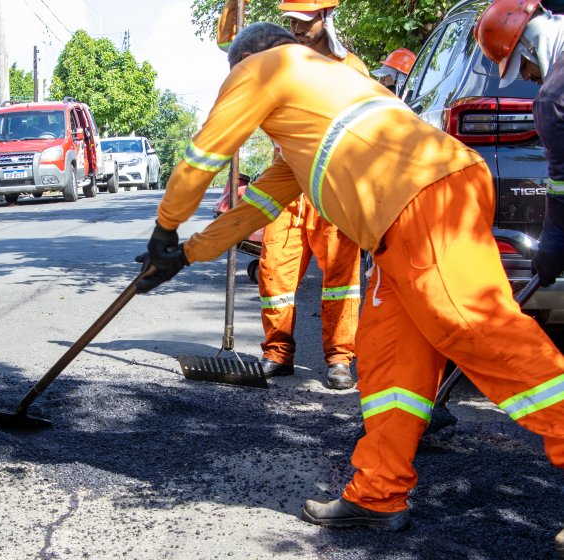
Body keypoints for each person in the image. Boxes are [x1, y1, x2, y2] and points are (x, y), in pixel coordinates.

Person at [138, 21, 564, 549]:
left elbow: (204, 157)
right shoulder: (321, 104)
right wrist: (185, 254)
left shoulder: (266, 65)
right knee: (390, 360)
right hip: (414, 208)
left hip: (420, 198)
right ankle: (377, 494)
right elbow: (260, 206)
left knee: (478, 332)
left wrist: (164, 226)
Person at [476, 0, 564, 553]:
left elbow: (563, 180)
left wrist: (555, 238)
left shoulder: (555, 96)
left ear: (528, 47)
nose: (528, 81)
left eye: (523, 71)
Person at [254, 0, 366, 390]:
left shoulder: (350, 69)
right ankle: (277, 353)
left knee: (340, 277)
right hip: (288, 185)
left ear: (325, 18)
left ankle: (339, 359)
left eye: (305, 22)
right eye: (292, 22)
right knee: (273, 271)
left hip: (333, 188)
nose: (298, 29)